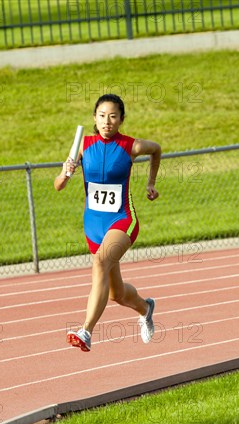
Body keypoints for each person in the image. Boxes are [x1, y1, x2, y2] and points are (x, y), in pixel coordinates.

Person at [54, 94, 161, 352]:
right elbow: (58, 185)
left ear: (121, 119)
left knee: (100, 261)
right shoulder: (83, 145)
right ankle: (146, 308)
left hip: (122, 219)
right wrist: (66, 172)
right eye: (102, 116)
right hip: (93, 225)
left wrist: (151, 183)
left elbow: (156, 149)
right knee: (117, 294)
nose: (107, 121)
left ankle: (86, 331)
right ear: (94, 118)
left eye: (113, 116)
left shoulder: (131, 146)